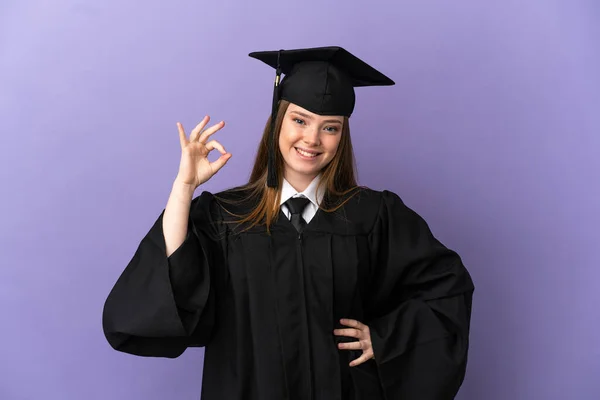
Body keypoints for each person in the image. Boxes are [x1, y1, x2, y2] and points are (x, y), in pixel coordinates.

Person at [102, 46, 475, 400]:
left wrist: (386, 338)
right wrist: (183, 188)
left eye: (330, 127)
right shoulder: (224, 217)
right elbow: (170, 285)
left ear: (342, 136)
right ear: (278, 121)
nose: (312, 139)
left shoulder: (373, 215)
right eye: (300, 120)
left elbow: (445, 288)